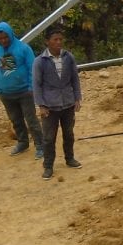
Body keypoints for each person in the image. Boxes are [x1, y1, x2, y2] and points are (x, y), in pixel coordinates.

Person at [32, 26, 83, 180]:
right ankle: (48, 166)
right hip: (49, 106)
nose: (59, 42)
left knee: (69, 133)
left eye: (60, 39)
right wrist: (41, 105)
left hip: (67, 103)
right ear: (47, 42)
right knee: (48, 138)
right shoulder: (40, 62)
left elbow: (75, 78)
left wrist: (77, 98)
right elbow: (37, 84)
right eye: (55, 40)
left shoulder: (68, 57)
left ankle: (70, 158)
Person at [0, 21, 44, 159]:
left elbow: (33, 68)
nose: (3, 41)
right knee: (16, 120)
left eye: (5, 37)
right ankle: (22, 143)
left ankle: (40, 145)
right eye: (0, 38)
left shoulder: (23, 48)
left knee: (31, 119)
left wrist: (32, 87)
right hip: (7, 94)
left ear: (11, 34)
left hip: (25, 91)